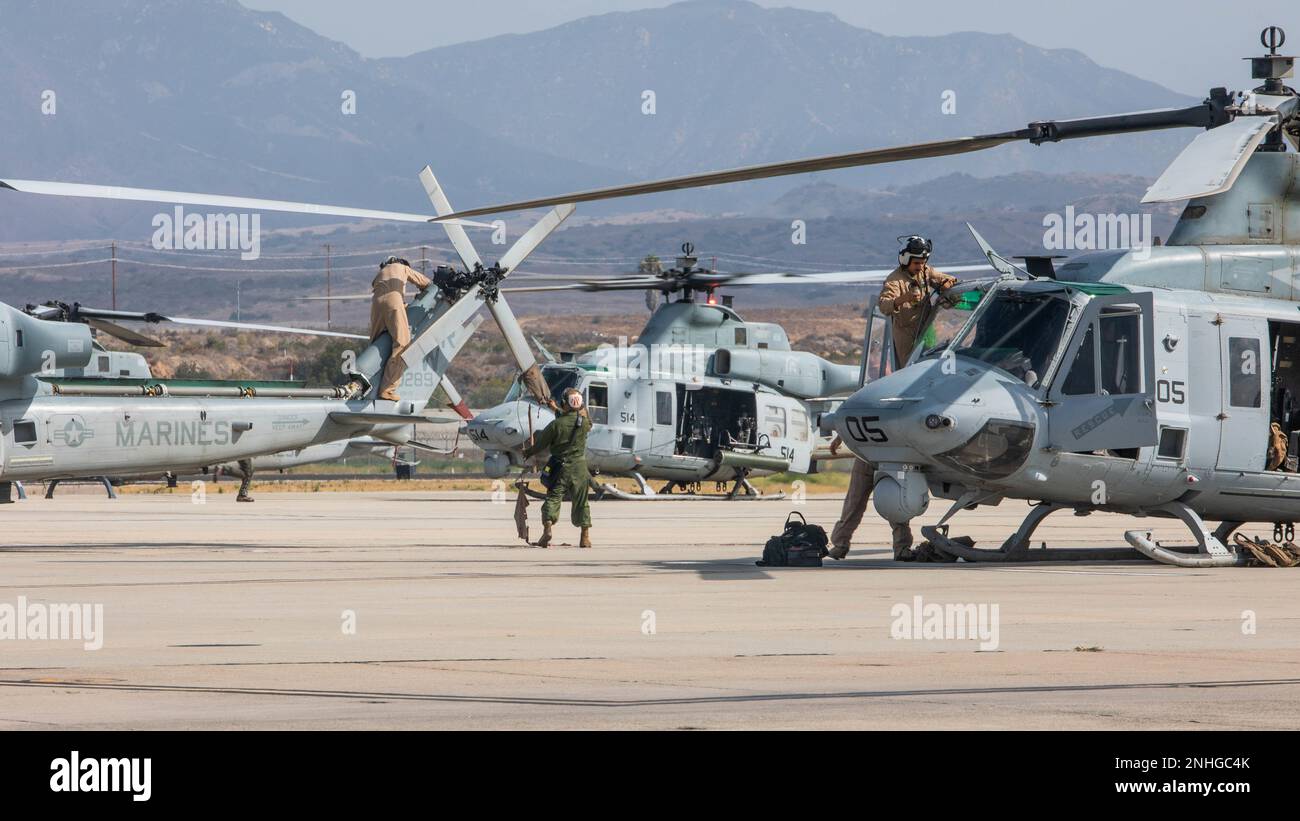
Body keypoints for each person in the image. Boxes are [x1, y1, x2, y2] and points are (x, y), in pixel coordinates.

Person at [522, 387, 594, 548]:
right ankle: (585, 537)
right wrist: (556, 409)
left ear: (564, 403)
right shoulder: (585, 424)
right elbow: (577, 420)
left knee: (553, 497)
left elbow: (540, 443)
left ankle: (547, 528)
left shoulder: (556, 425)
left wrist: (527, 452)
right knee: (582, 501)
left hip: (560, 468)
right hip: (580, 469)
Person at [826, 434, 913, 560]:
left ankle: (902, 548)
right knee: (854, 502)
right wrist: (840, 438)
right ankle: (840, 544)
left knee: (894, 501)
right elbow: (854, 414)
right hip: (866, 454)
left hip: (889, 454)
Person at [877, 235, 959, 365]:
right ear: (905, 260)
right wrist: (904, 298)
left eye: (923, 262)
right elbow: (883, 306)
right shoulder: (894, 280)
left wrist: (947, 283)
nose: (921, 267)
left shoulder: (926, 271)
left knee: (932, 368)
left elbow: (948, 279)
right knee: (909, 370)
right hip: (906, 335)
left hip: (927, 330)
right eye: (916, 263)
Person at [370, 256, 432, 401]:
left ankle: (369, 383)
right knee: (402, 344)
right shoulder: (402, 267)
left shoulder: (381, 273)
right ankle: (387, 390)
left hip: (376, 305)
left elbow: (386, 295)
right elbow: (426, 283)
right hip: (393, 303)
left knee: (375, 344)